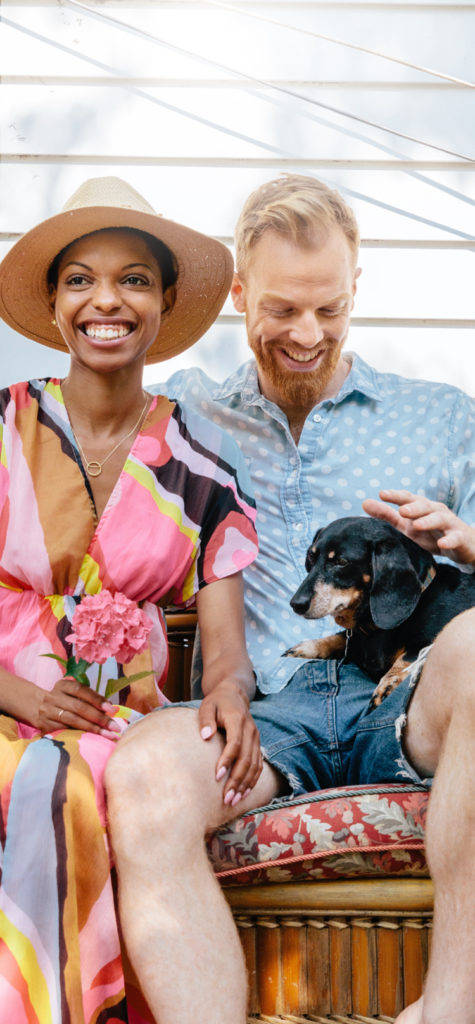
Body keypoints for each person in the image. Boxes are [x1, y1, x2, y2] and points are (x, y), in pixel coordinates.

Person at [104, 174, 475, 1024]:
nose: (307, 335)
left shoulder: (443, 417)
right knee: (145, 771)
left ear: (354, 291)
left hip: (413, 697)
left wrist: (463, 541)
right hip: (270, 708)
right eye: (280, 310)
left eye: (329, 309)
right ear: (238, 294)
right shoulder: (186, 414)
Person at [0, 176, 260, 1023]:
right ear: (52, 303)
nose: (104, 300)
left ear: (163, 301)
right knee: (42, 775)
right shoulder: (4, 429)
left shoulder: (198, 459)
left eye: (133, 280)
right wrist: (30, 698)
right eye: (79, 279)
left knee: (92, 777)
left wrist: (227, 696)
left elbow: (222, 645)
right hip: (7, 705)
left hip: (126, 724)